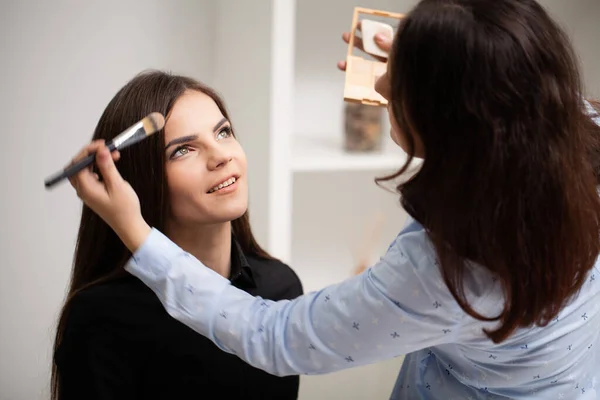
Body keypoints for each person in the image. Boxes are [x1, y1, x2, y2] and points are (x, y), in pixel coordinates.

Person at [67, 0, 600, 398]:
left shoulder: (430, 274)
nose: (383, 87)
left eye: (225, 132)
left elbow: (272, 338)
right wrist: (437, 65)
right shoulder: (579, 138)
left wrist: (133, 230)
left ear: (447, 121)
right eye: (184, 148)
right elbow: (526, 88)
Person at [51, 70, 303, 400]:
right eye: (183, 150)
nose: (222, 156)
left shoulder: (280, 287)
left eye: (223, 132)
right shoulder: (102, 319)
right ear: (139, 180)